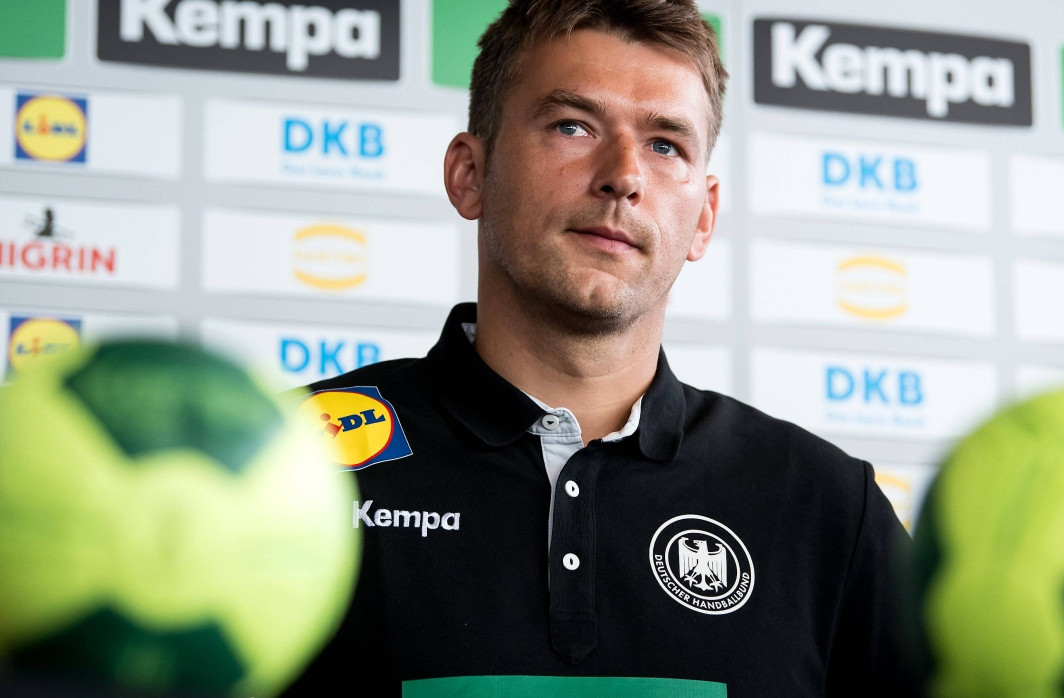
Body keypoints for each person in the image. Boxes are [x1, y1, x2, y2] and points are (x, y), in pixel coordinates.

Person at [285, 1, 913, 694]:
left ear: (703, 217)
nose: (623, 175)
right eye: (572, 125)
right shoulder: (286, 467)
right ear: (470, 174)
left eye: (665, 144)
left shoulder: (828, 506)